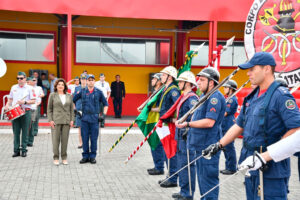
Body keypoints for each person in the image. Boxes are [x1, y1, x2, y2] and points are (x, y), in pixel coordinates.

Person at [202, 52, 300, 200]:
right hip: (251, 163)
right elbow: (239, 125)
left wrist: (269, 155)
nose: (248, 73)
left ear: (266, 69)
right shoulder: (253, 96)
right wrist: (219, 145)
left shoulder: (281, 95)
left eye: (252, 69)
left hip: (271, 167)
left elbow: (296, 129)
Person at [176, 67, 225, 200]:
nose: (198, 82)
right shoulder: (204, 96)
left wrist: (187, 124)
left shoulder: (215, 97)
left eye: (202, 80)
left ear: (211, 82)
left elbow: (209, 122)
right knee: (203, 181)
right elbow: (197, 116)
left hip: (208, 145)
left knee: (208, 182)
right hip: (199, 144)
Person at [152, 66, 180, 188]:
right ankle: (169, 175)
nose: (161, 77)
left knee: (171, 151)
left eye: (163, 75)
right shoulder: (165, 89)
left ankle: (173, 178)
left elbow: (177, 106)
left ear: (170, 77)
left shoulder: (173, 90)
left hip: (170, 124)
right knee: (166, 151)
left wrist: (173, 119)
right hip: (164, 123)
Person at [173, 71, 199, 200]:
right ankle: (183, 190)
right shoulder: (184, 96)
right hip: (180, 135)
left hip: (187, 136)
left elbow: (195, 115)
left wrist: (189, 129)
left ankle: (188, 194)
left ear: (188, 83)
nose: (179, 83)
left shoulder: (192, 98)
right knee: (181, 164)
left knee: (187, 164)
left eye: (181, 81)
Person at [73, 74, 108, 164]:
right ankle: (85, 156)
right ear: (87, 81)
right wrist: (76, 110)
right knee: (84, 138)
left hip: (94, 119)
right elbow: (73, 100)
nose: (91, 81)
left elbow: (106, 104)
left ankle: (92, 156)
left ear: (94, 81)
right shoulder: (82, 91)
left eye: (92, 80)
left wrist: (103, 115)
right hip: (84, 118)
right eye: (89, 80)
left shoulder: (98, 92)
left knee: (93, 138)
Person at [4, 71, 36, 157]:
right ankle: (16, 150)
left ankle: (24, 150)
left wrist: (24, 101)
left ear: (25, 78)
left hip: (26, 111)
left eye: (21, 78)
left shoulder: (30, 88)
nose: (19, 80)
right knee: (16, 132)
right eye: (18, 78)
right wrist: (7, 106)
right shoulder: (13, 87)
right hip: (15, 111)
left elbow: (33, 100)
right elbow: (10, 99)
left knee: (25, 132)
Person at [141, 73, 165, 176]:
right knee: (153, 145)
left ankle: (160, 167)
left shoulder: (161, 93)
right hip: (152, 121)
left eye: (154, 79)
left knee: (157, 145)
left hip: (158, 121)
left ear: (159, 81)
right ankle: (157, 166)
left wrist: (150, 109)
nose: (152, 80)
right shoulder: (155, 92)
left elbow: (162, 108)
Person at [47, 78, 74, 165]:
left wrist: (72, 120)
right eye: (59, 84)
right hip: (56, 121)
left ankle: (64, 157)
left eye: (62, 85)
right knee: (55, 140)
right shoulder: (52, 95)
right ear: (56, 86)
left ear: (65, 86)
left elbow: (71, 109)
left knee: (65, 140)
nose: (60, 86)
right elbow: (49, 109)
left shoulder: (69, 96)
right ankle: (55, 157)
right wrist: (50, 120)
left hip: (66, 120)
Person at [220, 79, 238, 175]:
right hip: (224, 124)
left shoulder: (232, 99)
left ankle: (232, 168)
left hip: (228, 124)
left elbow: (225, 113)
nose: (224, 89)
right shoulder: (227, 98)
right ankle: (228, 166)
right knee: (225, 147)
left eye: (226, 87)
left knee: (229, 147)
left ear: (231, 89)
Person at [27, 76, 44, 146]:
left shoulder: (38, 88)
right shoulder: (27, 88)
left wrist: (39, 97)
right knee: (29, 122)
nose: (33, 81)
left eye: (34, 80)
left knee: (35, 119)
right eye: (32, 80)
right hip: (28, 106)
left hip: (36, 105)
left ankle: (35, 132)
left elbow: (42, 94)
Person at [74, 73, 88, 148]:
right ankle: (80, 143)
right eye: (82, 79)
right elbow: (74, 99)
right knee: (79, 128)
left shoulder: (90, 88)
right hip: (79, 110)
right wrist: (74, 109)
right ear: (80, 80)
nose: (83, 80)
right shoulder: (77, 88)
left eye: (85, 79)